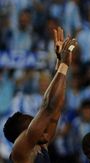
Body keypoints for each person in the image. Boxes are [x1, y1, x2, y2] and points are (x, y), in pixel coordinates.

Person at [3, 27, 77, 163]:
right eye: (34, 123)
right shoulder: (21, 149)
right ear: (23, 133)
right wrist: (64, 66)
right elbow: (48, 107)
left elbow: (56, 107)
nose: (42, 127)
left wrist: (60, 64)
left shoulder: (41, 144)